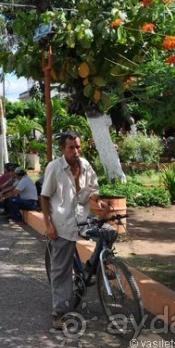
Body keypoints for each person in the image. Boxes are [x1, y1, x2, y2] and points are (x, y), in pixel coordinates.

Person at [40, 131, 107, 330]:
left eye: (78, 147)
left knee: (109, 231)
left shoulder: (85, 165)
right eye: (71, 148)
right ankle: (59, 312)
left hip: (83, 218)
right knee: (61, 271)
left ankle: (90, 268)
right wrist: (49, 224)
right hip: (62, 224)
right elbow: (44, 197)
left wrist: (97, 199)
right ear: (62, 149)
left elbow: (92, 190)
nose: (75, 151)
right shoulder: (55, 167)